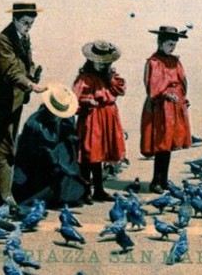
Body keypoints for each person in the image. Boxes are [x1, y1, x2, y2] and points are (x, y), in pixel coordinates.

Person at [0, 2, 46, 208]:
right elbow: (9, 71)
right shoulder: (3, 40)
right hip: (1, 102)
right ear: (15, 19)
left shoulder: (22, 36)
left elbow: (27, 62)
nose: (28, 27)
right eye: (25, 23)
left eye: (32, 23)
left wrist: (33, 72)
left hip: (15, 100)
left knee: (5, 145)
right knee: (6, 149)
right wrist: (29, 84)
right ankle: (4, 199)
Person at [12, 81, 87, 208]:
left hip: (54, 162)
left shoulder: (66, 120)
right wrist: (72, 174)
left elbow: (70, 141)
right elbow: (48, 157)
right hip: (37, 165)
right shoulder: (35, 125)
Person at [73, 39, 126, 202]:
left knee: (101, 153)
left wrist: (110, 77)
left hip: (108, 116)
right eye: (99, 62)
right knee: (89, 153)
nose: (102, 65)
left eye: (105, 63)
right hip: (92, 118)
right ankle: (85, 190)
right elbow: (74, 100)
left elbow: (120, 89)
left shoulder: (111, 76)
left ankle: (99, 189)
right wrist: (87, 101)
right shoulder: (84, 78)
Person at [141, 25, 191, 192]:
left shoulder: (176, 61)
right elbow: (152, 87)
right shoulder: (154, 62)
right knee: (161, 143)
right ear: (160, 43)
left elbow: (182, 81)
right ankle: (155, 181)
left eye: (174, 45)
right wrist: (165, 94)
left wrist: (183, 99)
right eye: (170, 44)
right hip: (160, 108)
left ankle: (164, 180)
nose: (172, 47)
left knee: (169, 144)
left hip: (175, 106)